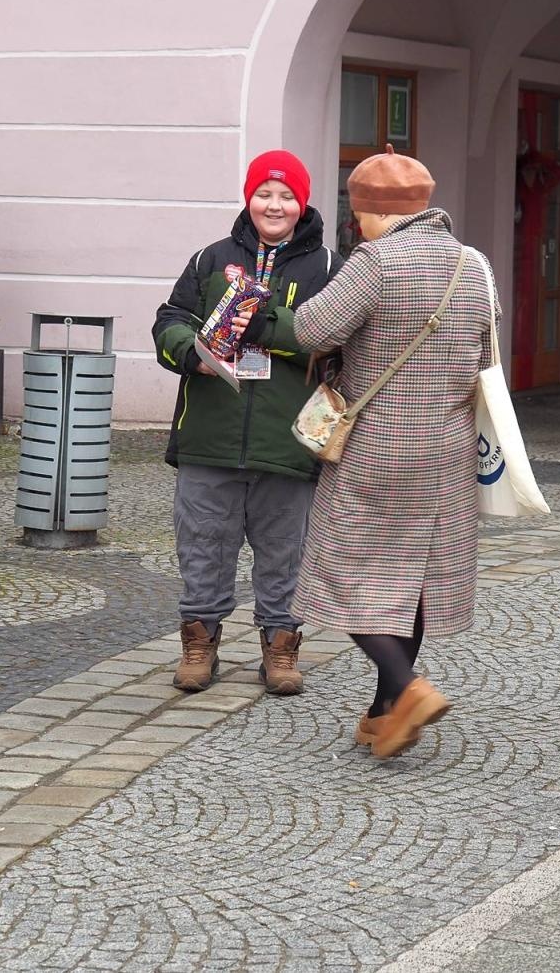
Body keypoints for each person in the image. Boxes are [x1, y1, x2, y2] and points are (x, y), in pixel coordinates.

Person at [290, 146, 493, 759]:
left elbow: (310, 330)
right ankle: (384, 712)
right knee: (415, 576)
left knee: (342, 567)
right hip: (450, 443)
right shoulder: (474, 264)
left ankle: (407, 688)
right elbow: (488, 356)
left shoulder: (375, 261)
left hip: (376, 443)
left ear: (368, 212)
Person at [152, 150, 340, 695]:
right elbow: (171, 320)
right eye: (264, 193)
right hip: (209, 435)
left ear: (301, 203)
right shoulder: (210, 259)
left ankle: (280, 649)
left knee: (285, 552)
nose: (273, 205)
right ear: (249, 197)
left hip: (289, 438)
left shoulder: (330, 268)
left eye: (285, 196)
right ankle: (199, 641)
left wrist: (267, 325)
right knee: (202, 546)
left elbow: (335, 335)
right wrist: (189, 351)